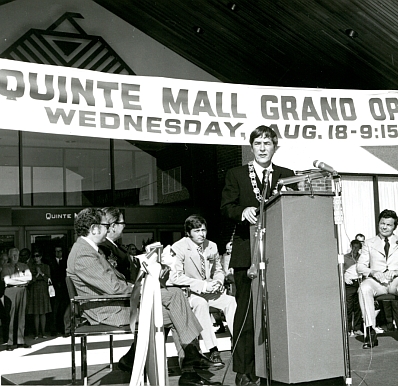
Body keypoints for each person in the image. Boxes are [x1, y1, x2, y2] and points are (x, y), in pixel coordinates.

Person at [67, 208, 219, 386]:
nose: (108, 229)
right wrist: (145, 285)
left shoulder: (90, 249)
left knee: (177, 303)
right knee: (177, 302)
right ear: (94, 228)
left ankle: (190, 363)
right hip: (108, 309)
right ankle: (190, 365)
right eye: (105, 225)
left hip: (117, 302)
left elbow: (114, 283)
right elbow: (114, 287)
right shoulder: (84, 253)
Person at [220, 125, 296, 386]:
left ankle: (278, 368)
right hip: (246, 254)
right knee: (247, 315)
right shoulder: (236, 174)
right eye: (258, 144)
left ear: (276, 146)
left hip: (279, 254)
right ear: (251, 147)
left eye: (268, 143)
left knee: (278, 314)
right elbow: (226, 207)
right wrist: (242, 212)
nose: (263, 148)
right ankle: (244, 371)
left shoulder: (287, 175)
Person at [170, 214, 237, 366]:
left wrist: (219, 281)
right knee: (201, 304)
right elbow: (176, 277)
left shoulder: (211, 246)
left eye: (203, 230)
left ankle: (238, 342)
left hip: (210, 289)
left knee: (230, 302)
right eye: (197, 231)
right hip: (189, 293)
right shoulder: (178, 247)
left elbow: (218, 269)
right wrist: (203, 285)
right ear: (188, 233)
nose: (201, 234)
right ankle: (213, 349)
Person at [357, 209, 398, 349]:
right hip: (377, 282)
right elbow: (360, 266)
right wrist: (372, 272)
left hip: (396, 280)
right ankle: (370, 331)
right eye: (382, 223)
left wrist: (397, 271)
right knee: (364, 288)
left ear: (394, 226)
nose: (384, 227)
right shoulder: (369, 243)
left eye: (388, 225)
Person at [1, 247, 32, 350]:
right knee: (11, 317)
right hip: (11, 292)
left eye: (17, 255)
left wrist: (15, 279)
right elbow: (8, 281)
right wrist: (22, 280)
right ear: (10, 256)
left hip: (22, 292)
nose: (15, 257)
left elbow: (29, 278)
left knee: (21, 316)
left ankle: (20, 341)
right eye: (13, 255)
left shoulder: (24, 266)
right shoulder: (6, 267)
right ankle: (10, 342)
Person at [98, 207, 132, 281]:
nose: (124, 226)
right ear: (113, 226)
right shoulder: (103, 248)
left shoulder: (113, 246)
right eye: (123, 223)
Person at [27, 249, 52, 339]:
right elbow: (29, 280)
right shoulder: (30, 267)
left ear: (41, 257)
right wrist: (38, 275)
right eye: (34, 256)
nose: (35, 258)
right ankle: (37, 333)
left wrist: (41, 273)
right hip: (34, 290)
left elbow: (48, 279)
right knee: (36, 312)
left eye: (37, 256)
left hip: (43, 289)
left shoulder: (46, 266)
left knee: (43, 312)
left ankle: (43, 332)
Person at [48, 245, 70, 337]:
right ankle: (53, 329)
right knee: (54, 310)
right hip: (55, 290)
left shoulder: (66, 261)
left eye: (60, 251)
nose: (58, 253)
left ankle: (62, 328)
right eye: (56, 251)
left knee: (63, 310)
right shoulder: (50, 262)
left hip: (64, 290)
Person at [343, 239, 363, 336]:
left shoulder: (361, 258)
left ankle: (357, 328)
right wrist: (344, 278)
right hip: (349, 284)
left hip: (359, 283)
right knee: (349, 307)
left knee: (358, 307)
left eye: (358, 247)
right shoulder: (345, 258)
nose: (356, 249)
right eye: (354, 247)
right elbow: (341, 271)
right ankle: (347, 329)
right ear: (351, 246)